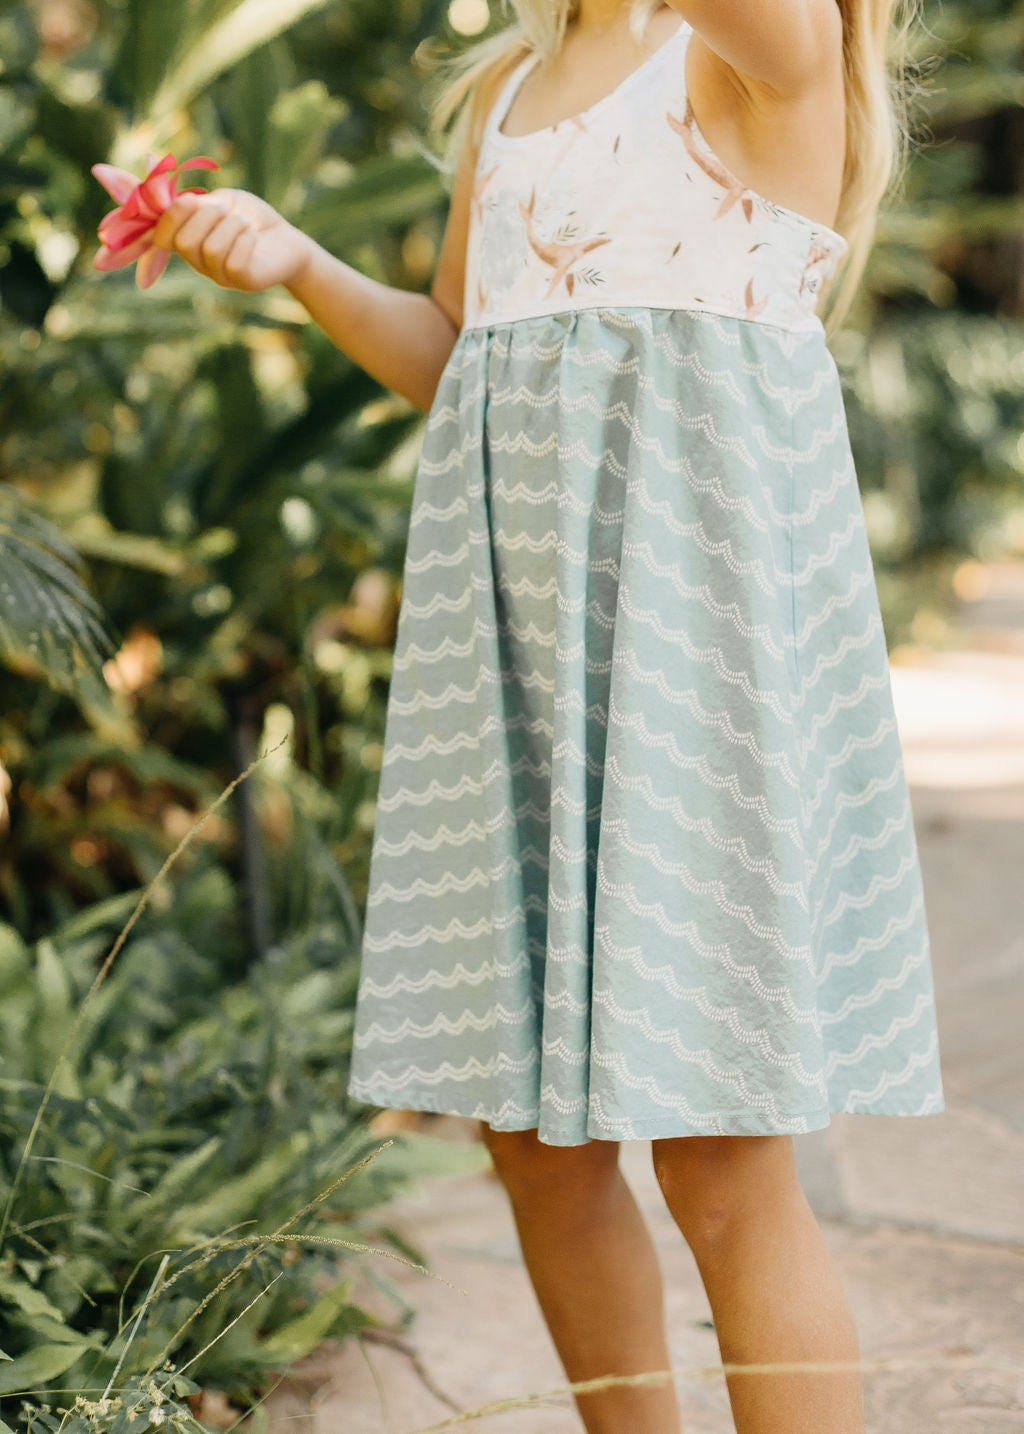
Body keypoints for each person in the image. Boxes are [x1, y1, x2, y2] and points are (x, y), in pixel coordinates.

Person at [150, 2, 945, 1430]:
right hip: (513, 655)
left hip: (693, 667)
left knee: (721, 1154)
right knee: (535, 1146)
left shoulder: (753, 50)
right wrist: (301, 265)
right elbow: (465, 350)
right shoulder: (513, 87)